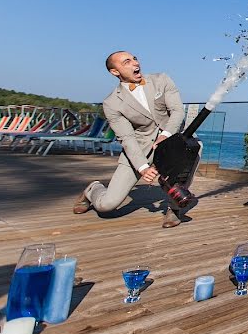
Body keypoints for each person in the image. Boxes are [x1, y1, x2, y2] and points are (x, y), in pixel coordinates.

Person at [72, 51, 189, 228]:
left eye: (135, 58)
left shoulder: (162, 80)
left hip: (174, 141)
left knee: (194, 149)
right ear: (115, 71)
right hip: (140, 148)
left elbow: (178, 111)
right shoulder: (111, 103)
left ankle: (175, 208)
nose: (135, 63)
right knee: (106, 206)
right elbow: (126, 137)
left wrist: (166, 135)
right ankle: (93, 189)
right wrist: (142, 167)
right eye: (127, 62)